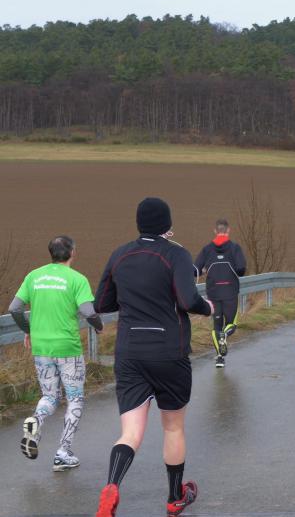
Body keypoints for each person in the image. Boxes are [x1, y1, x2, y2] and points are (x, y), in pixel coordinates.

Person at [93, 198, 213, 517]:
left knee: (130, 433)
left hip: (129, 352)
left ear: (139, 223)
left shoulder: (119, 254)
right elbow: (187, 299)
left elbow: (101, 303)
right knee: (173, 427)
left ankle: (112, 486)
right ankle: (174, 498)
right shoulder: (176, 254)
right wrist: (208, 307)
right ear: (167, 225)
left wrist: (132, 299)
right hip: (168, 351)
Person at [10, 236, 103, 471]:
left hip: (41, 348)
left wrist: (29, 330)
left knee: (50, 397)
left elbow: (15, 308)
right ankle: (63, 452)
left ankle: (36, 420)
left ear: (51, 253)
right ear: (72, 252)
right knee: (75, 398)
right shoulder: (77, 279)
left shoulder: (34, 276)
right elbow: (88, 312)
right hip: (68, 348)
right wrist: (99, 326)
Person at [194, 219, 246, 369]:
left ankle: (219, 359)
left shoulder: (206, 249)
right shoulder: (235, 248)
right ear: (228, 230)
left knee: (217, 326)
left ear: (215, 231)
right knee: (231, 325)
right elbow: (241, 269)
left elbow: (195, 270)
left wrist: (204, 270)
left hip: (213, 293)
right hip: (230, 292)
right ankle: (225, 335)